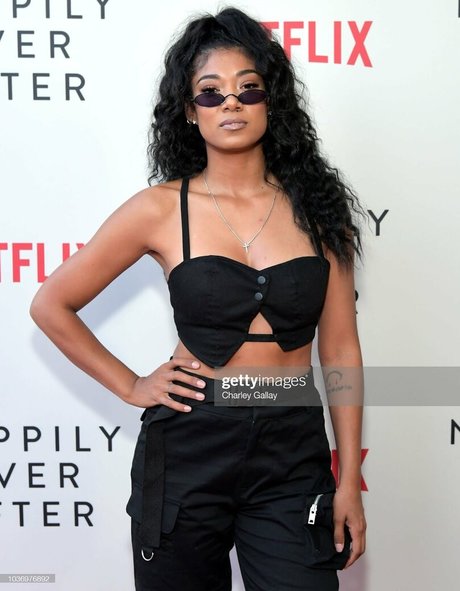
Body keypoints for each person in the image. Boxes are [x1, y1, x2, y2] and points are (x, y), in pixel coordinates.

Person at [30, 7, 367, 591]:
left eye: (248, 88)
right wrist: (132, 385)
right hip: (190, 444)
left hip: (292, 449)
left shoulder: (319, 211)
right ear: (190, 110)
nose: (230, 103)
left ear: (271, 101)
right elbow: (50, 304)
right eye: (210, 93)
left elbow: (339, 351)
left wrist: (347, 482)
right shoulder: (160, 209)